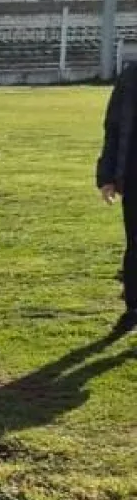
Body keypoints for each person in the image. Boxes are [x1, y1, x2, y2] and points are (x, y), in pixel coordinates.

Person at [96, 62, 137, 333]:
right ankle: (134, 307)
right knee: (136, 244)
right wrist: (107, 176)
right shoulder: (130, 78)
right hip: (134, 175)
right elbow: (113, 128)